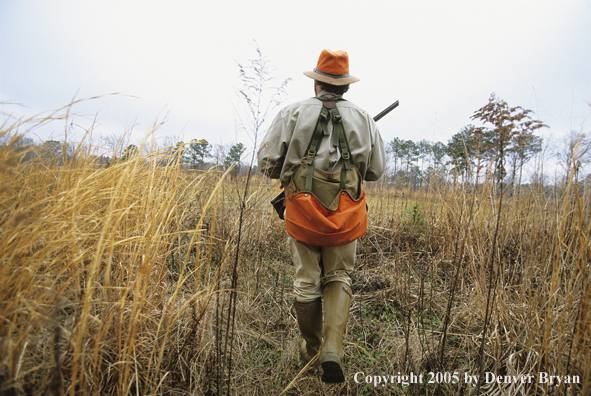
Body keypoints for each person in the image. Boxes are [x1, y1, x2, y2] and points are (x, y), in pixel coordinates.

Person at [257, 49, 386, 383]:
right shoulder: (364, 118)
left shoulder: (292, 112)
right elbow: (374, 171)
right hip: (348, 212)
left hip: (301, 210)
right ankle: (332, 350)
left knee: (306, 280)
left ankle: (311, 352)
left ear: (317, 82)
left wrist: (295, 167)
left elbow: (268, 163)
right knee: (340, 276)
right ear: (345, 86)